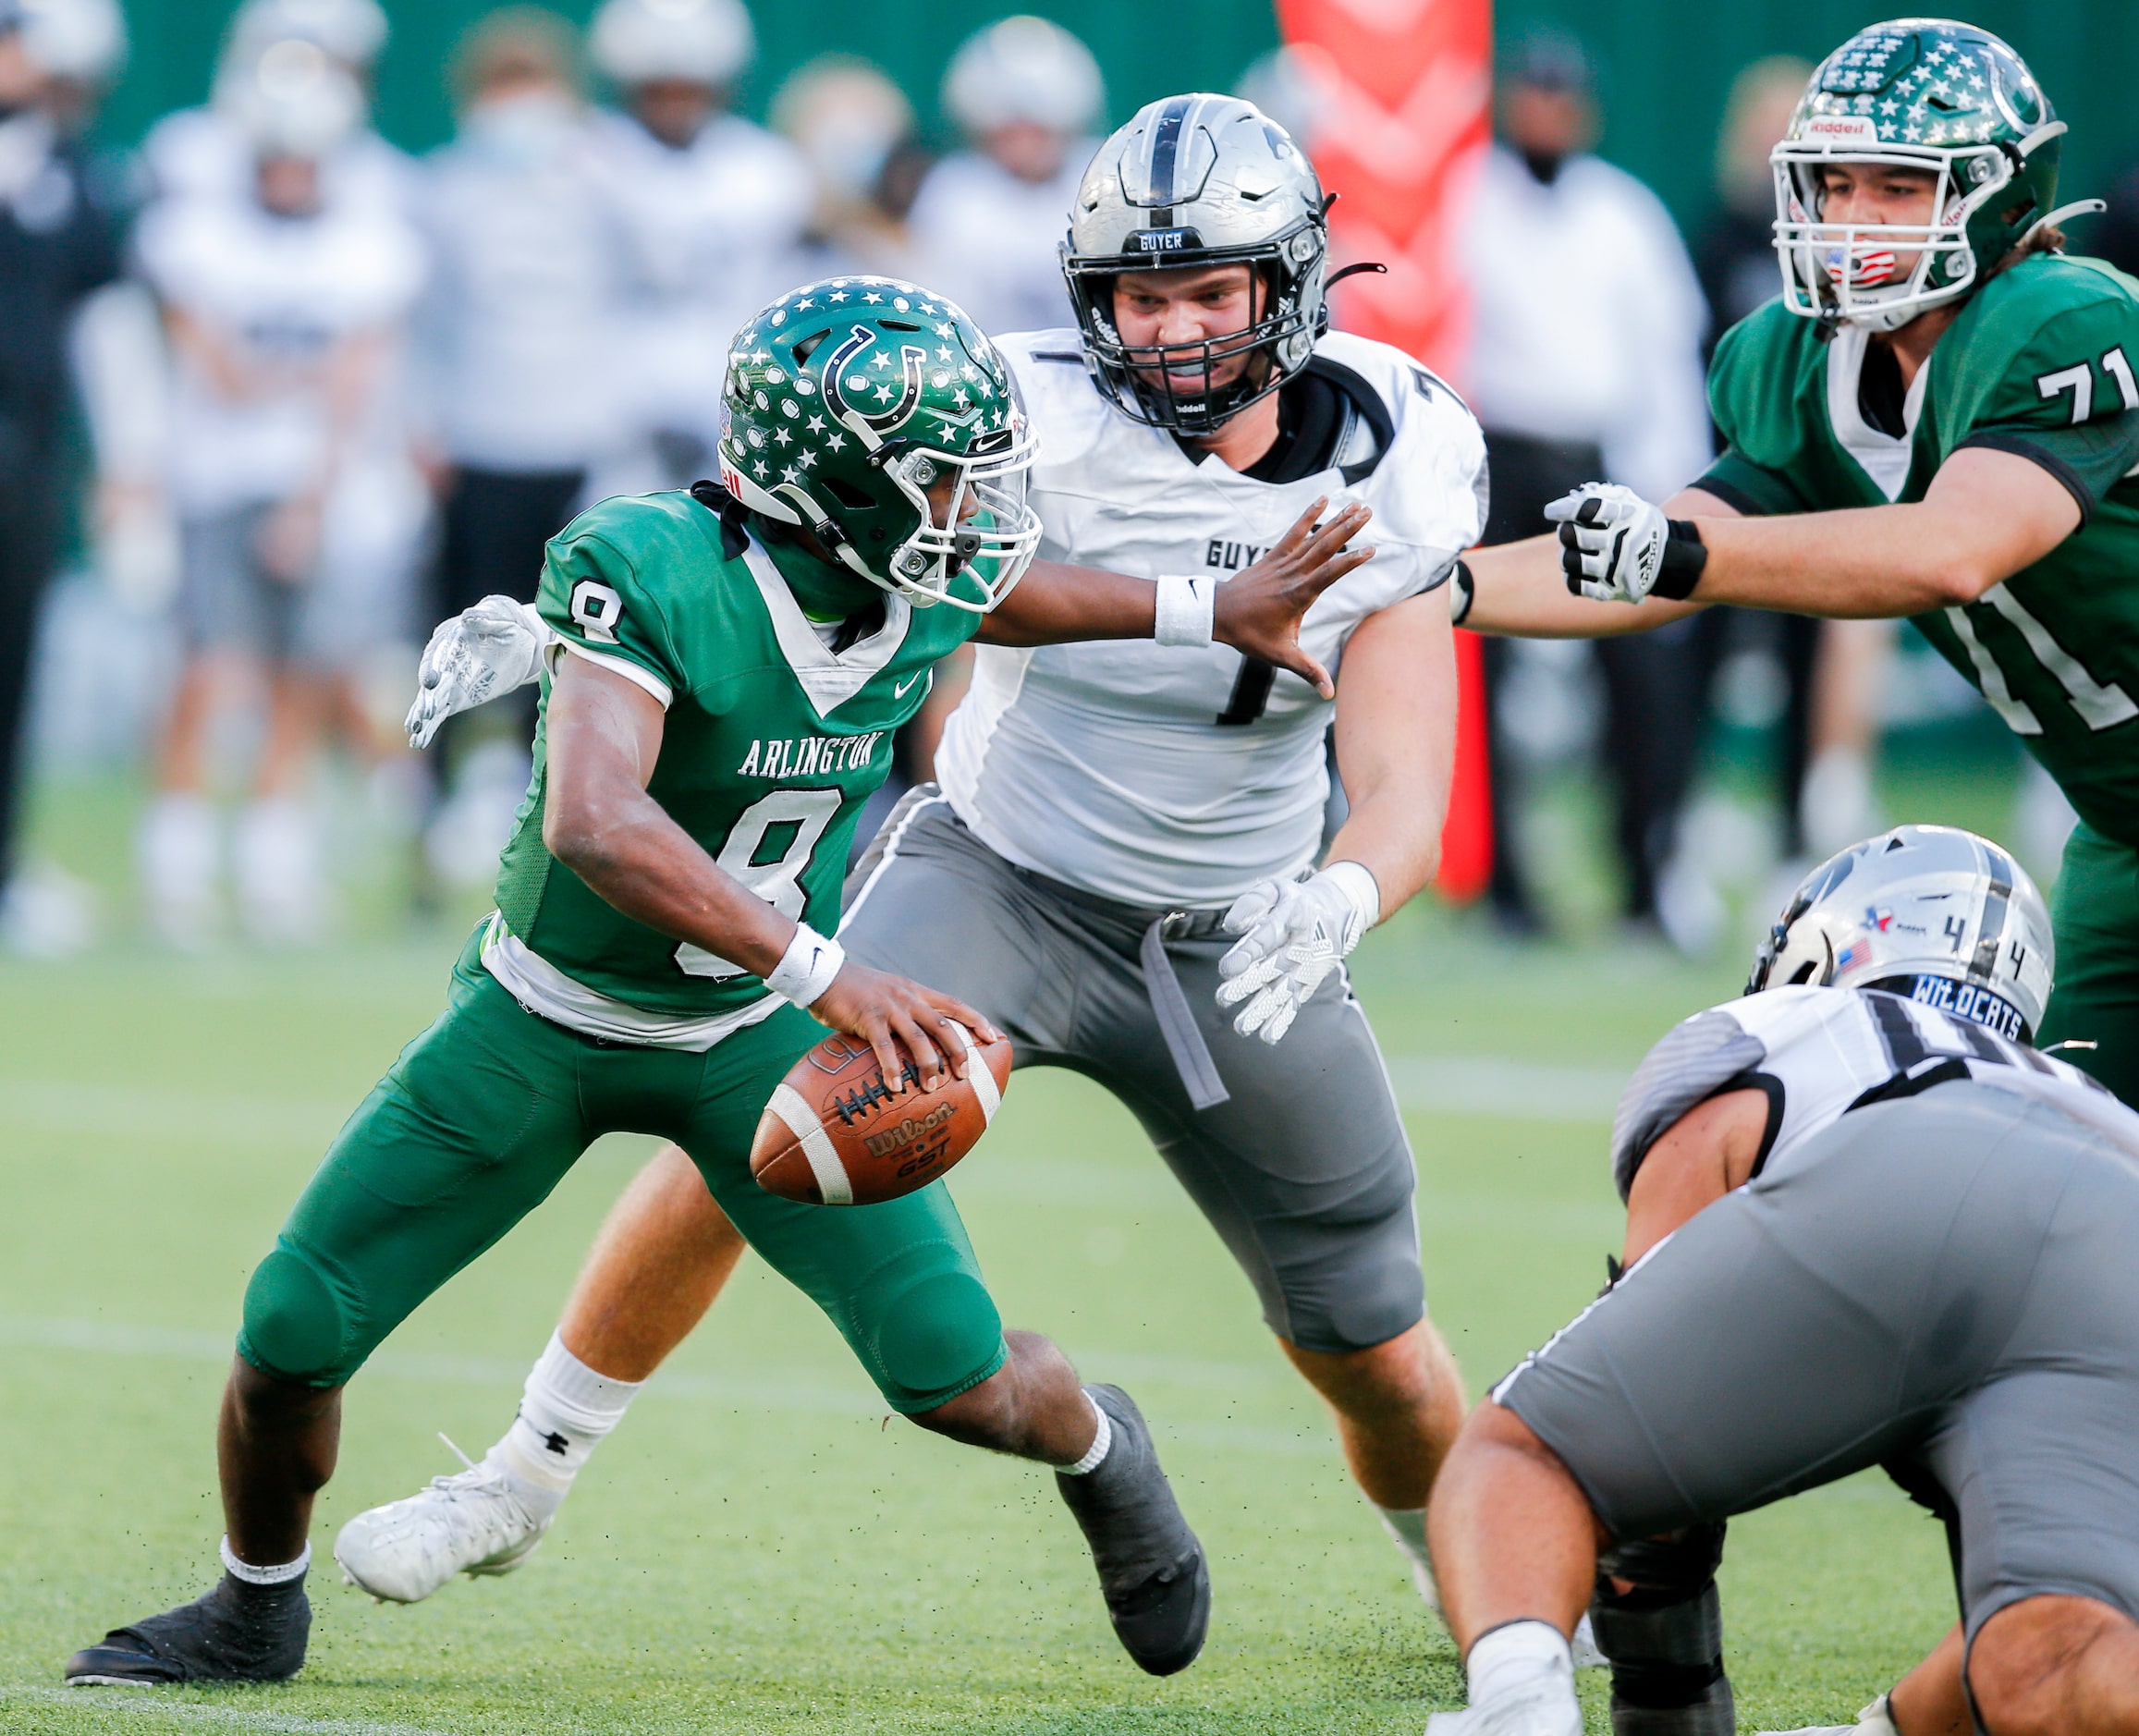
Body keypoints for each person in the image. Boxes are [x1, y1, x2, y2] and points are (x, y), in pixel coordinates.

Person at [63, 272, 1372, 1690]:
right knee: (289, 1329)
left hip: (743, 1037)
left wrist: (1202, 607)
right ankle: (256, 1606)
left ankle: (1103, 1445)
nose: (974, 513)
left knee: (962, 1378)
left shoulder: (912, 574)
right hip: (543, 1020)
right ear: (835, 484)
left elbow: (1015, 594)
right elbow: (594, 818)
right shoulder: (653, 563)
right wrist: (828, 966)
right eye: (942, 481)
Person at [336, 92, 1488, 1644]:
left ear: (1287, 284)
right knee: (758, 1124)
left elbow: (1407, 785)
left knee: (1366, 1332)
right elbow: (789, 518)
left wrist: (1340, 892)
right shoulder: (1021, 409)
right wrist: (561, 628)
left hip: (1244, 924)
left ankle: (1474, 1577)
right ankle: (523, 1474)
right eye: (1139, 298)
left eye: (1208, 292)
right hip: (1001, 873)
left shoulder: (1399, 447)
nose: (1172, 333)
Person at [1462, 18, 2139, 1104]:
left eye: (1896, 189)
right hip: (2121, 829)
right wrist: (1428, 587)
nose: (1851, 220)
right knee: (2074, 1155)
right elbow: (1633, 571)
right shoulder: (1797, 364)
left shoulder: (2055, 318)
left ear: (1997, 197)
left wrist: (1673, 553)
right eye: (1835, 185)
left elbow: (1950, 550)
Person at [1421, 825, 2139, 1736]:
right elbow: (2039, 1646)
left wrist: (1668, 1698)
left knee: (1521, 1458)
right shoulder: (2083, 1094)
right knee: (2054, 1657)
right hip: (2124, 1225)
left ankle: (1514, 1717)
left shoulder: (1792, 1026)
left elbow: (1652, 1500)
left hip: (1911, 1149)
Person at [132, 50, 426, 944]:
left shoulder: (370, 243)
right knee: (206, 666)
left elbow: (354, 381)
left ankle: (273, 861)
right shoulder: (196, 230)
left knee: (302, 677)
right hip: (217, 475)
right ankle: (176, 863)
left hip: (317, 486)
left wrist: (314, 494)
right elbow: (216, 366)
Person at [1460, 31, 1715, 941]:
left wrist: (1668, 491)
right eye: (1532, 95)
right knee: (1470, 667)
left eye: (1560, 98)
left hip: (1591, 462)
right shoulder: (1463, 201)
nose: (1545, 113)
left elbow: (1665, 359)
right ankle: (1502, 889)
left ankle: (1645, 872)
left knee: (1639, 669)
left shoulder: (1622, 214)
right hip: (1485, 456)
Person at [413, 7, 628, 890]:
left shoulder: (602, 178)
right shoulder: (443, 188)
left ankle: (557, 816)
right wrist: (420, 426)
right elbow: (419, 320)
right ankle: (431, 819)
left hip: (576, 442)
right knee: (459, 637)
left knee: (573, 644)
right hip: (477, 443)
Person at [0, 0, 121, 955]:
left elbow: (102, 330)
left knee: (13, 671)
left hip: (25, 459)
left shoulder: (66, 172)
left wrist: (124, 464)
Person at [584, 0, 813, 495]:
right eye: (658, 89)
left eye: (689, 88)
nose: (674, 102)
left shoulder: (765, 169)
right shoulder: (586, 157)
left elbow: (778, 302)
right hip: (611, 415)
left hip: (732, 406)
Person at [906, 16, 1102, 337]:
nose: (1024, 145)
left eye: (1037, 130)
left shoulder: (1100, 177)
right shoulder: (956, 191)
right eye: (1009, 132)